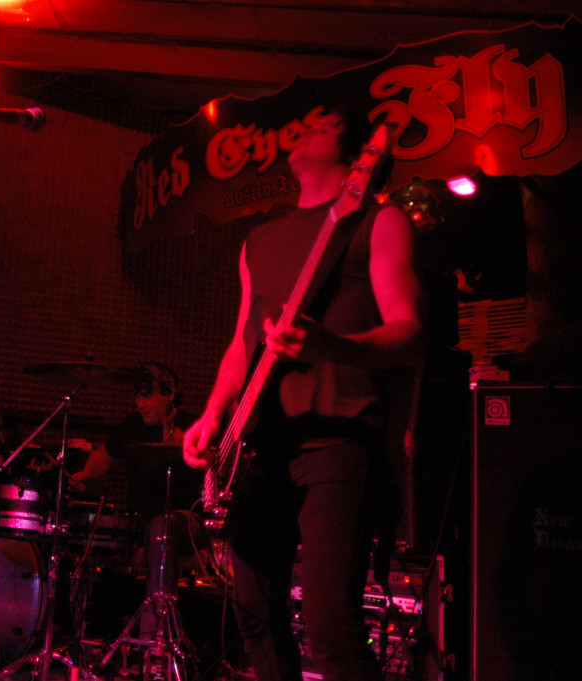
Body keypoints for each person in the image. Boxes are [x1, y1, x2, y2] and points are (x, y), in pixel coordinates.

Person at [182, 105, 424, 681]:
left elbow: (411, 334)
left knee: (331, 626)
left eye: (328, 124)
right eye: (307, 121)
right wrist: (213, 414)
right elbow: (243, 343)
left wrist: (331, 346)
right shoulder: (258, 240)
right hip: (259, 447)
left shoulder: (379, 222)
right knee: (254, 616)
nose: (310, 126)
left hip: (338, 441)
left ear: (360, 155)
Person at [69, 362, 205, 638]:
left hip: (186, 521)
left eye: (147, 396)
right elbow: (105, 456)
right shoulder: (131, 425)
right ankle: (92, 633)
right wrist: (86, 473)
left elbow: (218, 463)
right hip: (139, 521)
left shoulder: (192, 425)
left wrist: (189, 447)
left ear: (169, 394)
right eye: (137, 396)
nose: (140, 404)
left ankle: (155, 633)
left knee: (162, 526)